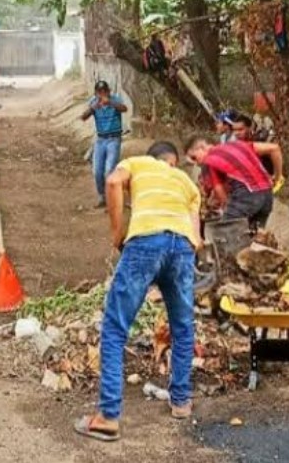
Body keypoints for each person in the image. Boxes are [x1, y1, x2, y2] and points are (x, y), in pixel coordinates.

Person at [74, 141, 202, 442]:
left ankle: (107, 416)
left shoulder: (138, 163)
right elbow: (197, 238)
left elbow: (112, 181)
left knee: (116, 327)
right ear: (173, 161)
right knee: (183, 327)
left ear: (154, 158)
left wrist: (118, 234)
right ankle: (181, 401)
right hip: (182, 246)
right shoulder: (186, 181)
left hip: (145, 241)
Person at [184, 136, 283, 230]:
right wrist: (277, 177)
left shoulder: (208, 160)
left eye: (194, 158)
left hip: (247, 195)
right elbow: (274, 148)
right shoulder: (239, 144)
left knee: (225, 232)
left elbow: (219, 191)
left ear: (202, 148)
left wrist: (226, 209)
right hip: (267, 195)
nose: (196, 163)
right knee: (256, 234)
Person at [81, 80, 128, 208]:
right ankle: (103, 197)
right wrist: (93, 108)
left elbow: (124, 108)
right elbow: (83, 117)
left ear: (108, 91)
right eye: (99, 92)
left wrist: (111, 103)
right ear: (96, 93)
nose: (102, 94)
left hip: (114, 139)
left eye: (104, 92)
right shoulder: (94, 102)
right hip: (100, 140)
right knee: (97, 171)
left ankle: (112, 198)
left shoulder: (115, 99)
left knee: (109, 170)